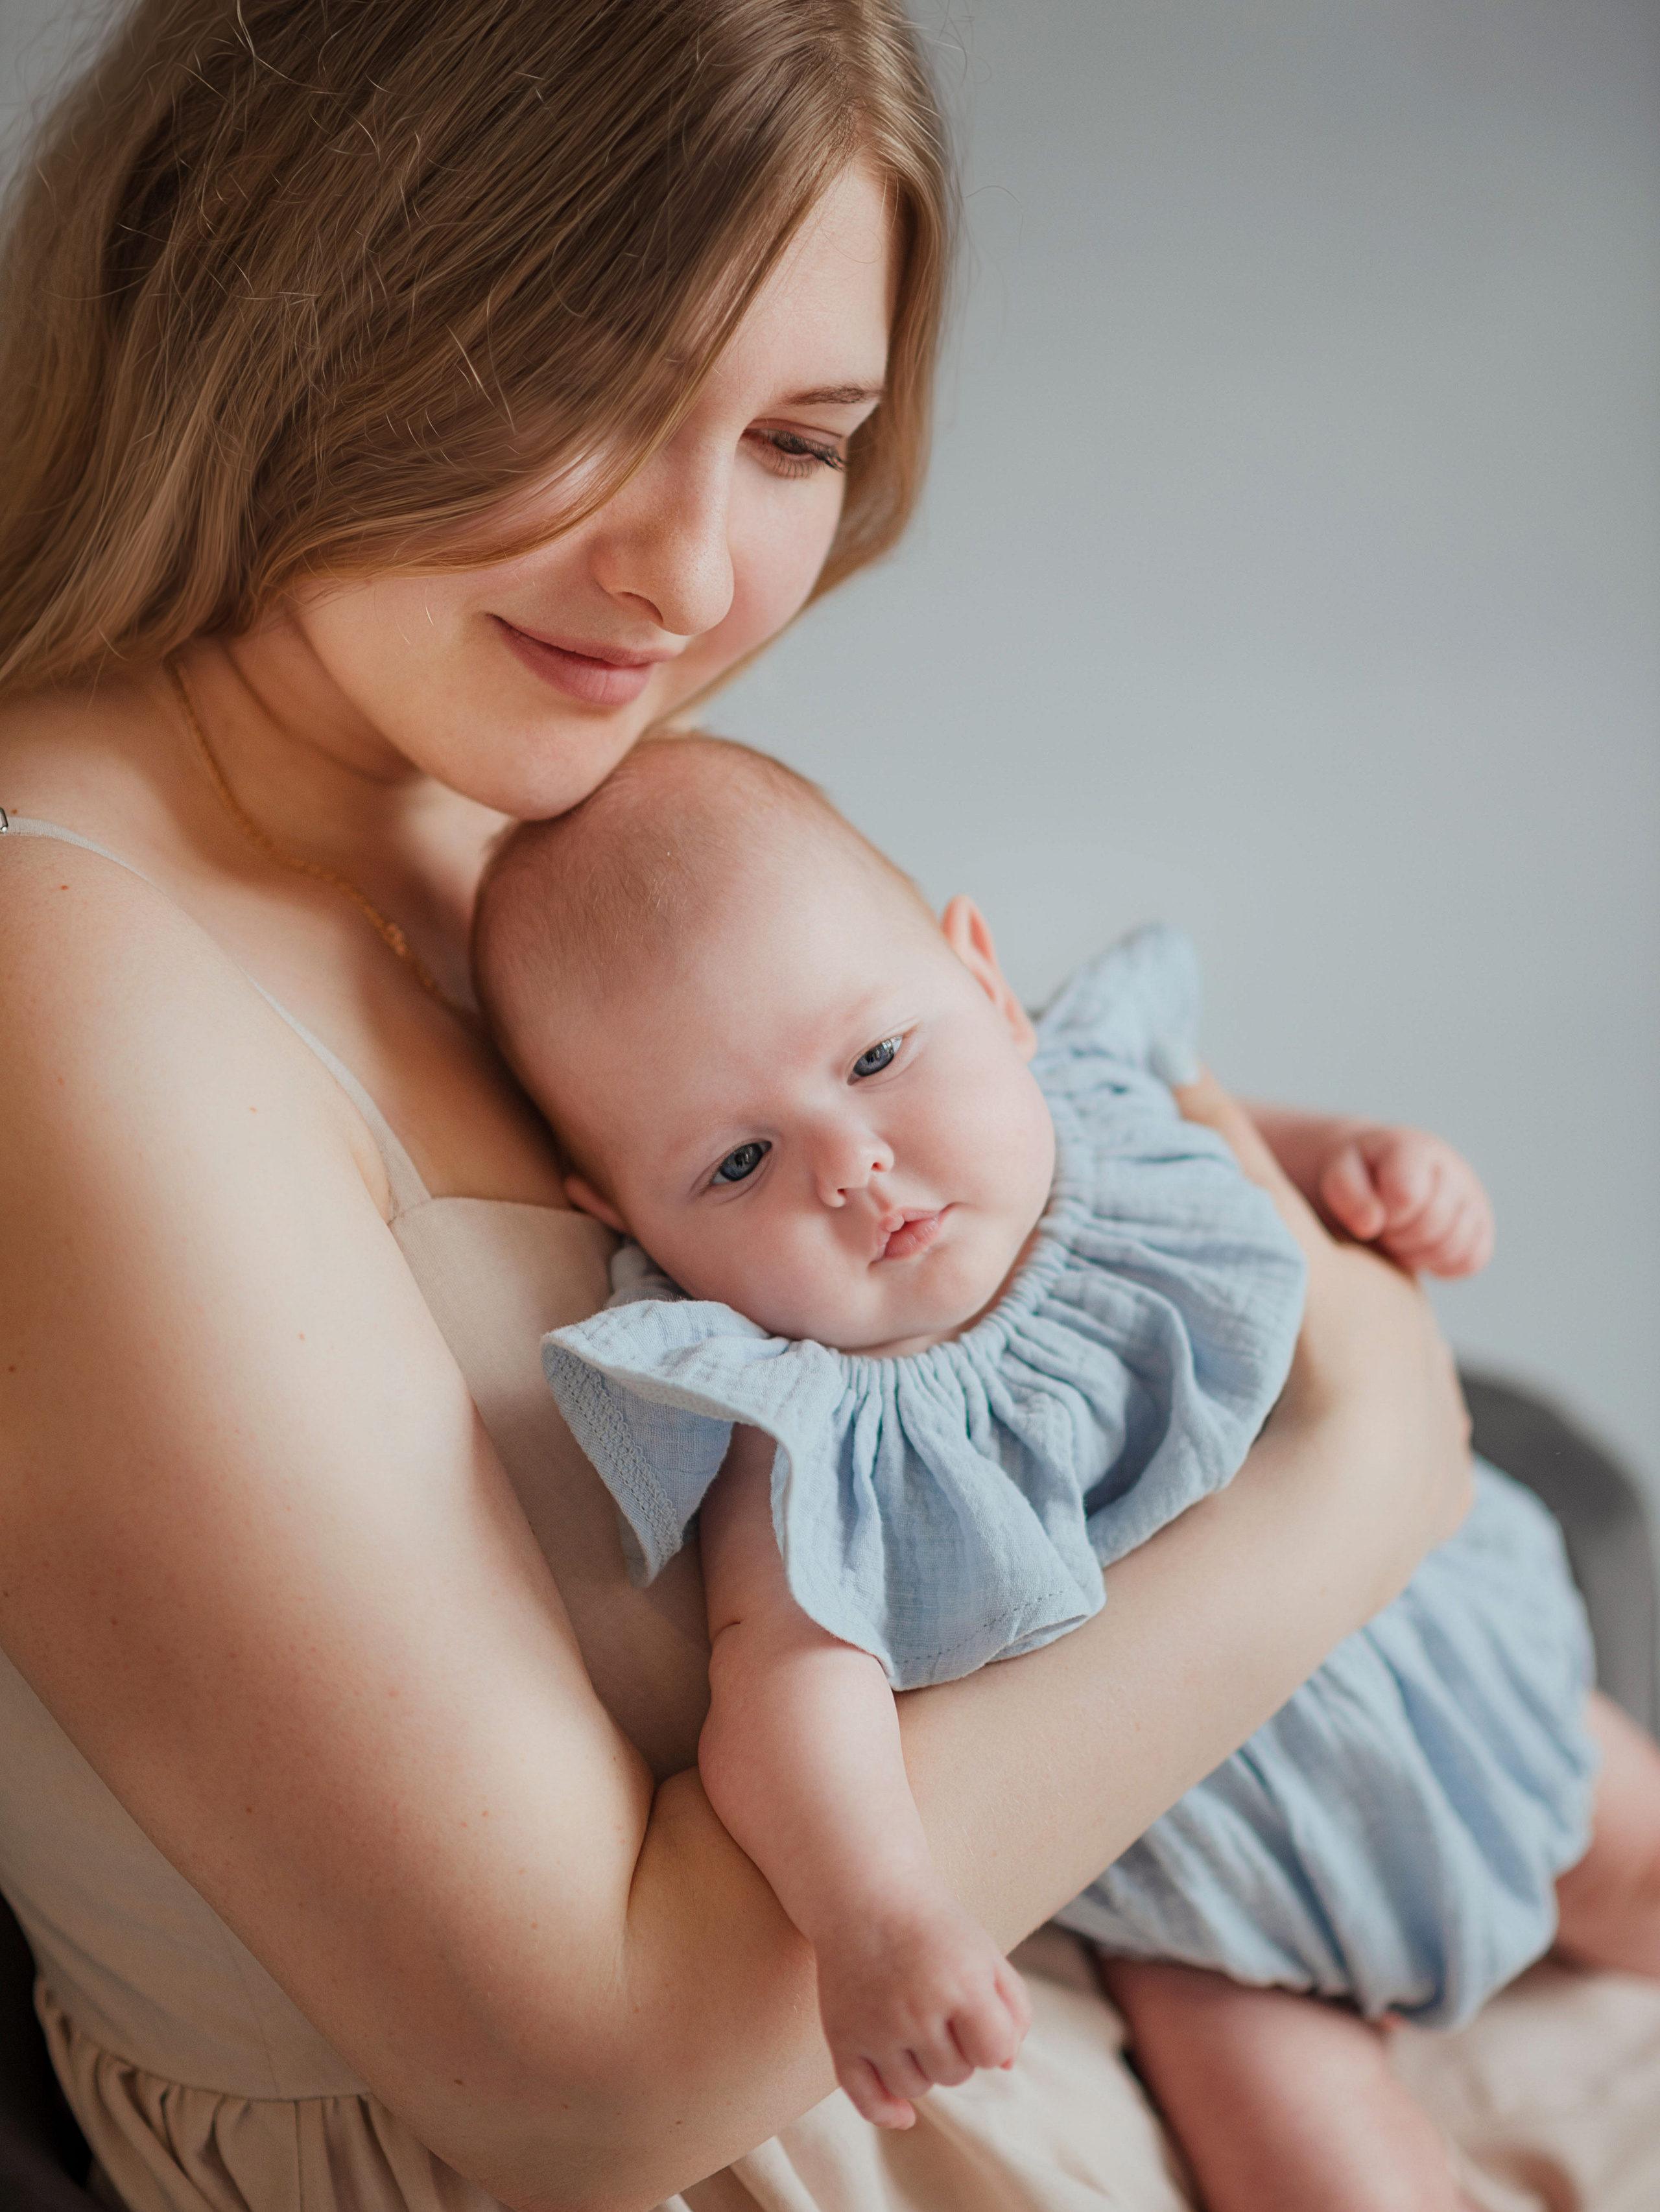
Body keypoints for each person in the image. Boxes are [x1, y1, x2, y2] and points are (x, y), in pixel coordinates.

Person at [0, 3, 1474, 2209]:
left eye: (794, 440)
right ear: (260, 290)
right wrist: (1367, 1457)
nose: (689, 584)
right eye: (580, 394)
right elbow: (578, 2078)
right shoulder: (64, 970)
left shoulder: (507, 820)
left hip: (1018, 2029)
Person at [477, 733, 1660, 2208]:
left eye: (872, 1057)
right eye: (734, 1163)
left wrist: (1362, 1159)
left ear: (982, 981)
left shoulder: (1106, 1101)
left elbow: (1260, 1165)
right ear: (628, 1221)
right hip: (1208, 1891)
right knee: (1309, 2160)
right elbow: (784, 1686)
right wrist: (875, 1913)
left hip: (1449, 1664)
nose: (849, 1162)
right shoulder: (806, 1424)